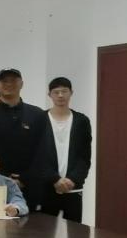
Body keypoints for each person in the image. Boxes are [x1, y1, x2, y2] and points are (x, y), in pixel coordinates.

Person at [0, 68, 47, 207]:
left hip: (31, 184)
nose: (8, 84)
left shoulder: (37, 114)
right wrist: (4, 177)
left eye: (13, 80)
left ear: (22, 84)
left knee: (34, 221)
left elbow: (43, 150)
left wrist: (25, 178)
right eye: (4, 81)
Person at [36, 77, 92, 223]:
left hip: (73, 187)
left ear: (71, 93)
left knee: (76, 234)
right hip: (47, 187)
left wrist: (73, 179)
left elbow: (85, 156)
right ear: (49, 95)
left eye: (64, 91)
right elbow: (36, 156)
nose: (60, 95)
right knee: (43, 233)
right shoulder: (39, 119)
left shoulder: (81, 121)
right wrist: (54, 179)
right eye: (56, 92)